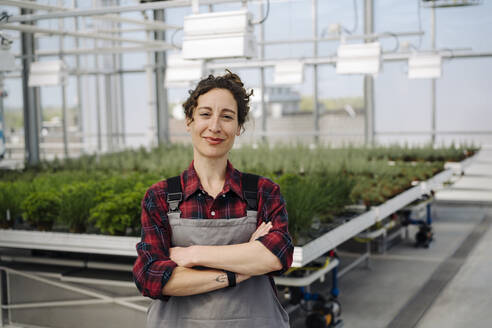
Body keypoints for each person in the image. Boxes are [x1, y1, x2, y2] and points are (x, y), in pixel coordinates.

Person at [133, 70, 294, 328]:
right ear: (189, 121)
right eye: (205, 114)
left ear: (239, 127)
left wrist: (194, 254)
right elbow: (151, 278)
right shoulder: (162, 197)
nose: (215, 127)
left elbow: (277, 256)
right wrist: (240, 269)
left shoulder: (263, 192)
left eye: (227, 117)